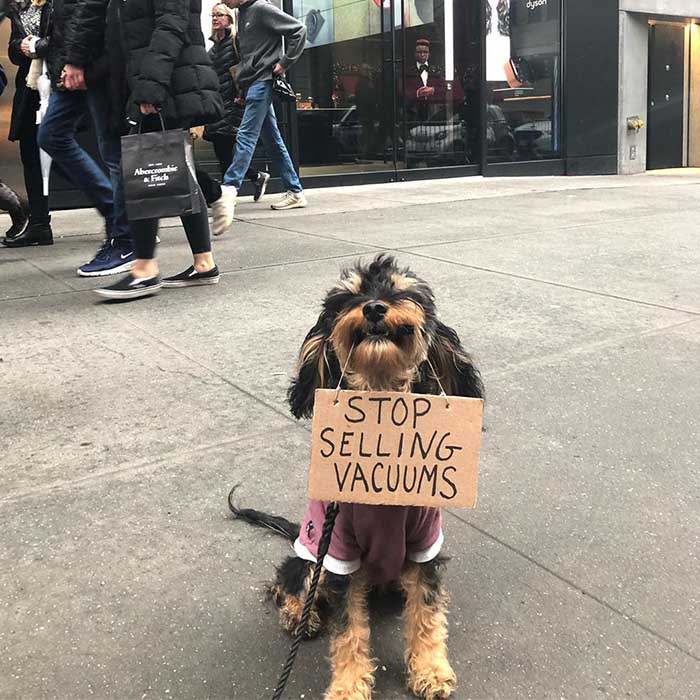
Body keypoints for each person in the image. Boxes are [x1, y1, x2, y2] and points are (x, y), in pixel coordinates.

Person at [67, 0, 224, 301]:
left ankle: (144, 269)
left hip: (166, 82)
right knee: (178, 170)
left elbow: (172, 24)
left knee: (140, 170)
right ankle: (204, 263)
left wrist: (151, 88)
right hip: (160, 79)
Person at [17, 0, 134, 273]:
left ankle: (125, 240)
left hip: (94, 59)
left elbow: (91, 7)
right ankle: (116, 214)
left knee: (112, 150)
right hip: (70, 61)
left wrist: (75, 60)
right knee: (51, 136)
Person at [213, 0, 307, 238]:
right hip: (253, 83)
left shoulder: (262, 9)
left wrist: (284, 63)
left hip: (263, 81)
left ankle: (230, 188)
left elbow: (299, 30)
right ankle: (295, 191)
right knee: (272, 140)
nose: (223, 0)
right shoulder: (243, 11)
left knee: (246, 135)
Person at [202, 3, 269, 216]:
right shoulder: (212, 49)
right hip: (217, 105)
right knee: (222, 149)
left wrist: (244, 94)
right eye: (212, 15)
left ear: (230, 18)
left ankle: (225, 195)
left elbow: (247, 68)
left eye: (219, 15)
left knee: (224, 146)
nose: (215, 19)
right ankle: (255, 177)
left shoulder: (236, 42)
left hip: (235, 102)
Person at [2, 0, 51, 246]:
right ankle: (39, 223)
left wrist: (40, 46)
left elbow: (73, 37)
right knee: (30, 155)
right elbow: (11, 52)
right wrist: (19, 46)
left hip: (59, 83)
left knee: (67, 153)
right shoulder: (19, 6)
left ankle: (119, 215)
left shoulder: (59, 4)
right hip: (29, 89)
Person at [404, 39, 446, 125]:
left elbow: (445, 88)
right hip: (413, 112)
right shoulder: (407, 71)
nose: (422, 54)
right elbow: (402, 91)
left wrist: (433, 90)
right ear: (415, 54)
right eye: (419, 52)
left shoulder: (437, 70)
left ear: (429, 54)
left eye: (425, 52)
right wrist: (417, 93)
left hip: (434, 112)